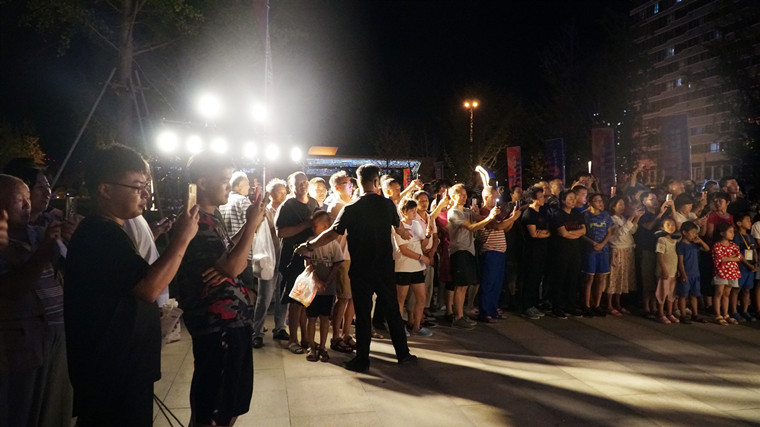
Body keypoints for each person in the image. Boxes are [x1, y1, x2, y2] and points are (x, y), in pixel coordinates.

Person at [64, 144, 199, 426]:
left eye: (146, 187)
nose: (145, 195)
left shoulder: (111, 231)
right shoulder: (101, 234)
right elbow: (148, 287)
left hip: (123, 368)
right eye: (137, 187)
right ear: (105, 189)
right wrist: (182, 239)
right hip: (111, 372)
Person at [296, 164, 417, 373]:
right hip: (384, 268)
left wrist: (309, 245)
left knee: (362, 315)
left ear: (359, 182)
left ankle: (362, 360)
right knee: (392, 311)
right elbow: (398, 227)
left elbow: (332, 234)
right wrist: (403, 233)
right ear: (376, 181)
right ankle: (403, 354)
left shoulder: (351, 208)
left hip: (361, 269)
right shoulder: (387, 205)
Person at [177, 151, 265, 426]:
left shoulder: (210, 217)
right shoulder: (196, 221)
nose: (229, 186)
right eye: (224, 180)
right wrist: (251, 225)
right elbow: (233, 266)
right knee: (217, 410)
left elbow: (227, 259)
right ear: (203, 183)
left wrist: (251, 225)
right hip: (219, 327)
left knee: (228, 403)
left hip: (229, 324)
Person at [0, 174, 71, 427]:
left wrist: (70, 239)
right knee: (23, 409)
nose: (27, 204)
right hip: (22, 340)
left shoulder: (39, 233)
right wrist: (44, 250)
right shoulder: (5, 245)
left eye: (27, 198)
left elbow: (69, 270)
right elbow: (13, 288)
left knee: (55, 407)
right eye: (19, 199)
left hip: (57, 331)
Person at [276, 171, 320, 354]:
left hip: (311, 256)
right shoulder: (287, 206)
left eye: (305, 181)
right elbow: (281, 232)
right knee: (295, 300)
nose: (303, 185)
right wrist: (305, 225)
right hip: (292, 258)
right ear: (291, 186)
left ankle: (306, 338)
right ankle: (292, 339)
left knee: (306, 299)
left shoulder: (314, 203)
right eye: (299, 183)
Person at [447, 183, 499, 328]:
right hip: (459, 251)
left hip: (469, 250)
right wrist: (489, 218)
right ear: (453, 196)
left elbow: (480, 218)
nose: (465, 198)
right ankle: (458, 317)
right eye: (461, 195)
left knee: (465, 285)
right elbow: (471, 227)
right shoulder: (454, 212)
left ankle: (461, 314)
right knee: (460, 285)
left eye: (465, 195)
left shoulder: (466, 211)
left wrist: (492, 213)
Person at [251, 178, 290, 349]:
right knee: (264, 297)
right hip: (268, 258)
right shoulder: (265, 211)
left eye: (284, 191)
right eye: (279, 192)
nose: (283, 194)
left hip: (284, 257)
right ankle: (257, 332)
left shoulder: (287, 209)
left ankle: (280, 327)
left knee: (283, 295)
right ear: (271, 194)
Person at [304, 210, 343, 362]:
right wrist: (317, 281)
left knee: (325, 318)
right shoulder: (310, 243)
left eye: (316, 226)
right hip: (313, 288)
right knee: (311, 317)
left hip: (328, 289)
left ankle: (322, 346)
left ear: (326, 227)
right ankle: (311, 346)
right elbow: (308, 263)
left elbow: (336, 265)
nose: (313, 229)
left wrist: (326, 282)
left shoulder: (334, 245)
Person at [477, 186, 519, 322]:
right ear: (486, 197)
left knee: (497, 283)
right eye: (494, 197)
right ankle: (485, 312)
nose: (497, 200)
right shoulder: (484, 212)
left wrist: (512, 218)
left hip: (500, 251)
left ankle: (493, 309)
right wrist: (512, 219)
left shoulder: (495, 212)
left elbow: (505, 228)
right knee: (489, 283)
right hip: (490, 251)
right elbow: (497, 226)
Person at [326, 171, 357, 353]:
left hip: (353, 255)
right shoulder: (336, 206)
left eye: (351, 183)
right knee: (343, 297)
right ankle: (336, 336)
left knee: (351, 297)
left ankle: (346, 334)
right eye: (347, 184)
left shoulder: (349, 203)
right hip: (342, 255)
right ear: (337, 187)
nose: (351, 186)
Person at [393, 199, 432, 336]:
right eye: (411, 211)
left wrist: (428, 235)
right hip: (403, 267)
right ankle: (399, 327)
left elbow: (422, 244)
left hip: (417, 267)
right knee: (401, 298)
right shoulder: (399, 226)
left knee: (421, 296)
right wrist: (421, 257)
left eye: (415, 210)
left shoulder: (416, 224)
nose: (415, 213)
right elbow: (403, 249)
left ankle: (417, 326)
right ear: (404, 212)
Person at [219, 171, 258, 300]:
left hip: (227, 253)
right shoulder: (243, 202)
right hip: (243, 254)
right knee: (246, 293)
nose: (249, 187)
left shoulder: (223, 202)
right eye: (247, 184)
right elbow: (254, 226)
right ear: (239, 185)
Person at [635, 191, 673, 318]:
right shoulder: (643, 214)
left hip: (660, 250)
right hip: (648, 249)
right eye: (651, 199)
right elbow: (648, 227)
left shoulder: (660, 214)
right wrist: (660, 213)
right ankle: (646, 307)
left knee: (657, 279)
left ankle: (654, 306)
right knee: (647, 280)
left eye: (656, 198)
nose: (655, 201)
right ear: (644, 202)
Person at [607, 196, 642, 316]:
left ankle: (618, 303)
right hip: (617, 249)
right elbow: (620, 232)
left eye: (623, 204)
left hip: (627, 249)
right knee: (614, 277)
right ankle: (609, 304)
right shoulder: (611, 219)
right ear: (613, 206)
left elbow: (632, 231)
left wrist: (636, 218)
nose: (623, 207)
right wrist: (632, 217)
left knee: (622, 278)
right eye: (620, 204)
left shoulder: (622, 218)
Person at [581, 193, 614, 317]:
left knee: (601, 278)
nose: (600, 203)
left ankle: (597, 304)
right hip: (590, 250)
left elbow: (609, 232)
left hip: (603, 250)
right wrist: (593, 243)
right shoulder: (585, 216)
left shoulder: (605, 215)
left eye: (601, 201)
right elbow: (582, 233)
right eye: (597, 201)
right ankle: (587, 305)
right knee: (589, 278)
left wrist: (602, 244)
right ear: (590, 202)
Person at [521, 185, 550, 319]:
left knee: (538, 277)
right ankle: (527, 306)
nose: (543, 199)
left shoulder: (542, 211)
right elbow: (533, 234)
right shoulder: (529, 213)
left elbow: (547, 231)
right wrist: (542, 233)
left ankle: (534, 304)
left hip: (542, 249)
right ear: (533, 199)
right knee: (531, 278)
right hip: (532, 250)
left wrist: (543, 233)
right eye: (540, 197)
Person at [676, 221, 710, 324]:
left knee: (694, 295)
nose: (695, 235)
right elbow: (680, 261)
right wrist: (683, 274)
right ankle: (683, 315)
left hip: (695, 273)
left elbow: (707, 249)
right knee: (683, 295)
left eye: (696, 233)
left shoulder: (694, 244)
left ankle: (695, 314)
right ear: (684, 232)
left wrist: (700, 241)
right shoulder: (681, 245)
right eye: (693, 233)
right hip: (687, 273)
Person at [712, 222, 743, 325]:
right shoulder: (717, 245)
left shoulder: (733, 245)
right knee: (719, 293)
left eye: (733, 232)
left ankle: (725, 314)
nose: (732, 234)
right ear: (722, 233)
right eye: (730, 232)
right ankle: (717, 315)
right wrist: (732, 257)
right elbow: (720, 258)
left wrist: (728, 258)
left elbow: (739, 257)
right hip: (721, 272)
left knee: (727, 294)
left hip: (732, 272)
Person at [731, 212, 757, 322]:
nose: (750, 222)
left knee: (747, 289)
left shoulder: (750, 236)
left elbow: (754, 251)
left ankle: (745, 311)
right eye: (747, 220)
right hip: (740, 266)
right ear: (739, 223)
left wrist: (755, 263)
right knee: (736, 289)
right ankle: (734, 311)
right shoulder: (737, 236)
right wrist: (748, 264)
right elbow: (737, 252)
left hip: (750, 267)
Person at [654, 218, 679, 324]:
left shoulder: (675, 241)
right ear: (662, 227)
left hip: (673, 272)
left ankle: (669, 313)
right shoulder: (662, 240)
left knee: (671, 293)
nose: (671, 227)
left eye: (673, 225)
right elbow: (659, 256)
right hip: (664, 272)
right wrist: (664, 270)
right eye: (668, 225)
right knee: (662, 292)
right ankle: (660, 313)